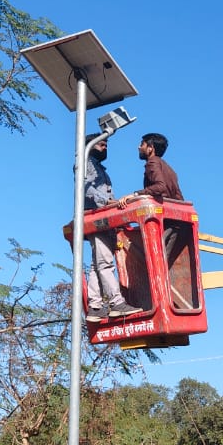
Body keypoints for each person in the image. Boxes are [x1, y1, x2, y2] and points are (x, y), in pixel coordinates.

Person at [84, 136, 142, 321]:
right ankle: (116, 303)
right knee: (105, 264)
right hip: (96, 217)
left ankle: (95, 306)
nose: (105, 148)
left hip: (103, 218)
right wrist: (108, 203)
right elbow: (86, 188)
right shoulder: (86, 164)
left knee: (97, 264)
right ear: (90, 146)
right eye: (102, 144)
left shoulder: (97, 166)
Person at [137, 133, 184, 201]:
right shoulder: (168, 168)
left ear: (150, 148)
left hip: (161, 209)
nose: (139, 147)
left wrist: (136, 194)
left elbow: (160, 186)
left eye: (142, 144)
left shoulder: (152, 162)